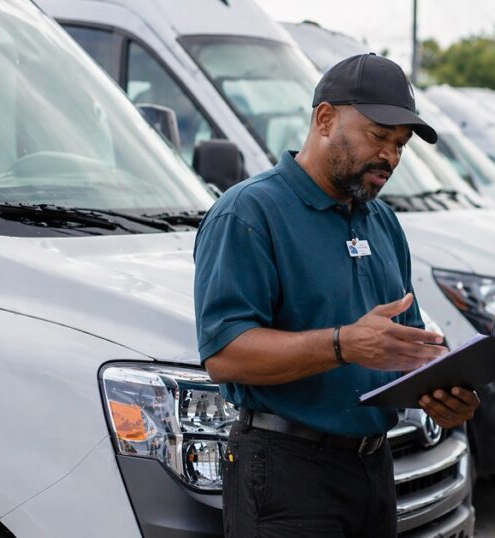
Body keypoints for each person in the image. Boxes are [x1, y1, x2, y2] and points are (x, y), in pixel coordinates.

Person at [193, 53, 480, 538]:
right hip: (285, 471)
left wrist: (443, 386)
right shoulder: (248, 212)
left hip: (374, 466)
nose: (390, 156)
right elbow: (224, 354)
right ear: (325, 119)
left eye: (400, 145)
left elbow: (405, 345)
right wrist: (342, 344)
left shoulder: (383, 222)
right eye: (378, 137)